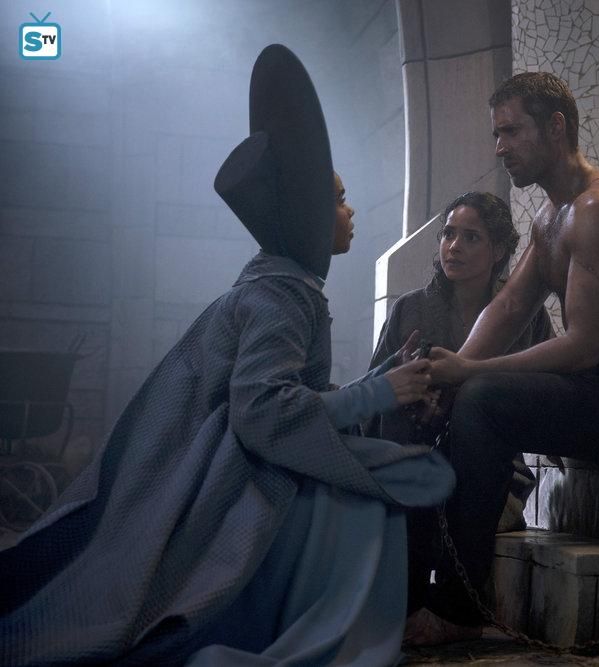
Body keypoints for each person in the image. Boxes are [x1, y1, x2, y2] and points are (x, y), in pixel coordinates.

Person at [0, 44, 454, 666]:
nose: (349, 212)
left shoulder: (280, 284)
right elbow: (263, 410)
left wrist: (384, 377)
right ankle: (324, 619)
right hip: (232, 480)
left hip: (235, 462)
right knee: (386, 479)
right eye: (338, 200)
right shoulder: (280, 296)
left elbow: (292, 397)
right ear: (304, 213)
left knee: (395, 468)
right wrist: (379, 393)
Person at [407, 71, 599, 645]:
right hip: (593, 387)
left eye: (511, 131)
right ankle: (415, 590)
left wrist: (470, 373)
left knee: (484, 399)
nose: (499, 147)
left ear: (556, 127)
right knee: (444, 401)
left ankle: (461, 607)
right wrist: (447, 376)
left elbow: (584, 348)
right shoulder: (549, 217)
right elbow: (509, 306)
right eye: (497, 133)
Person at [367, 191, 551, 619]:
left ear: (499, 250)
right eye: (449, 234)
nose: (454, 246)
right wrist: (408, 390)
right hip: (416, 458)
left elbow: (546, 387)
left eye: (471, 237)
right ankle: (405, 604)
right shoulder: (410, 310)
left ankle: (449, 609)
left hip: (493, 475)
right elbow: (373, 393)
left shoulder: (524, 313)